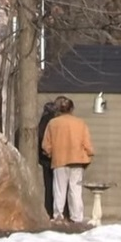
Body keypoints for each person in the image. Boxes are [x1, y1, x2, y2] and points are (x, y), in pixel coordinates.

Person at [41, 96, 95, 224]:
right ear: (72, 109)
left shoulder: (53, 123)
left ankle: (58, 216)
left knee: (59, 190)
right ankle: (77, 217)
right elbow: (87, 144)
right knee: (75, 190)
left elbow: (46, 145)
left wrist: (50, 153)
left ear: (59, 109)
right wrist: (89, 154)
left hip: (59, 160)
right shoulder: (80, 123)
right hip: (77, 160)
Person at [36, 99, 66, 219]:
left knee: (50, 187)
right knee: (59, 187)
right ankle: (60, 212)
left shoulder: (43, 122)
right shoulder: (53, 122)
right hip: (53, 159)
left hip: (46, 159)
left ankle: (50, 211)